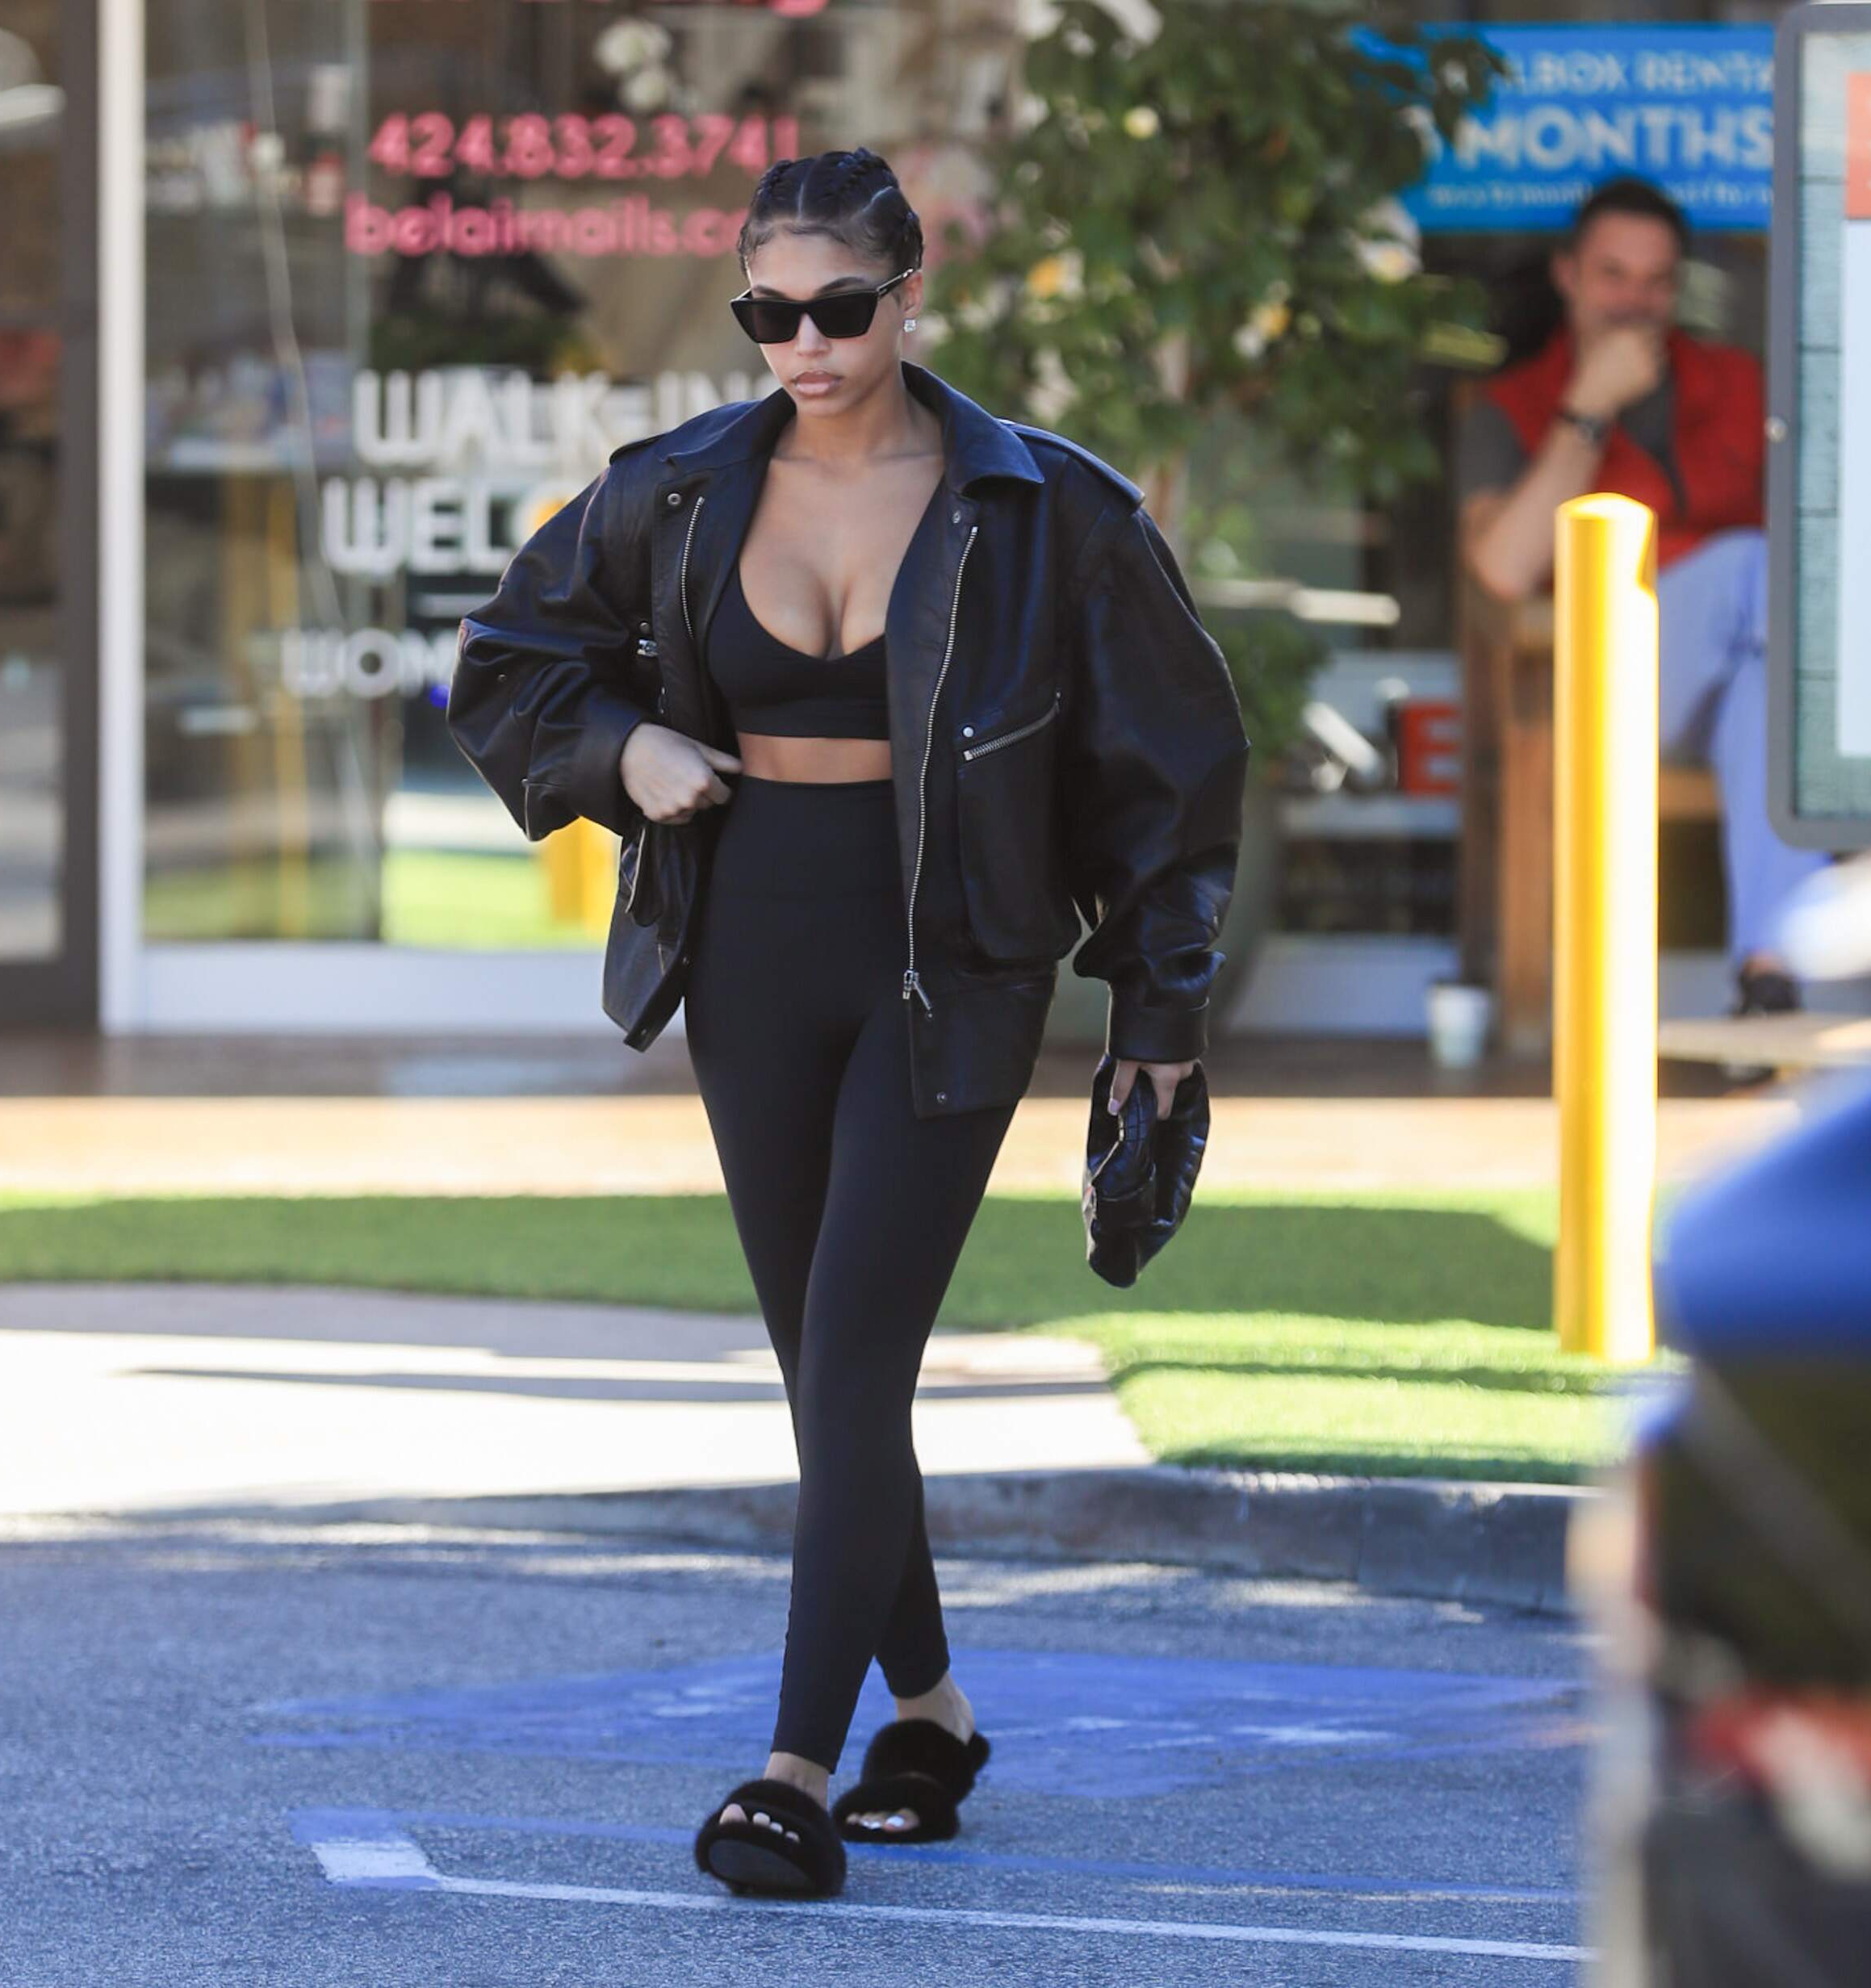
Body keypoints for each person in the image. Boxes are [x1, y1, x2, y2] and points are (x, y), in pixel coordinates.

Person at [445, 146, 1248, 1898]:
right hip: (744, 942)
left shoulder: (1051, 514)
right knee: (824, 1370)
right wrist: (622, 755)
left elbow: (1175, 782)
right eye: (766, 315)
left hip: (950, 958)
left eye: (835, 309)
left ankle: (791, 1765)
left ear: (909, 296)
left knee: (861, 1345)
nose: (799, 344)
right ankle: (936, 1718)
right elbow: (504, 663)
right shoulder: (668, 493)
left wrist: (1159, 1020)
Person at [1459, 176, 1829, 1026]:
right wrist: (1586, 410)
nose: (1638, 301)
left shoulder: (1738, 381)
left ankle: (1769, 981)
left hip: (1735, 668)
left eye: (1657, 281)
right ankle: (1842, 735)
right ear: (1566, 275)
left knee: (1768, 702)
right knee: (1752, 570)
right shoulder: (1510, 405)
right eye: (1613, 275)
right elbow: (1504, 571)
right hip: (1597, 685)